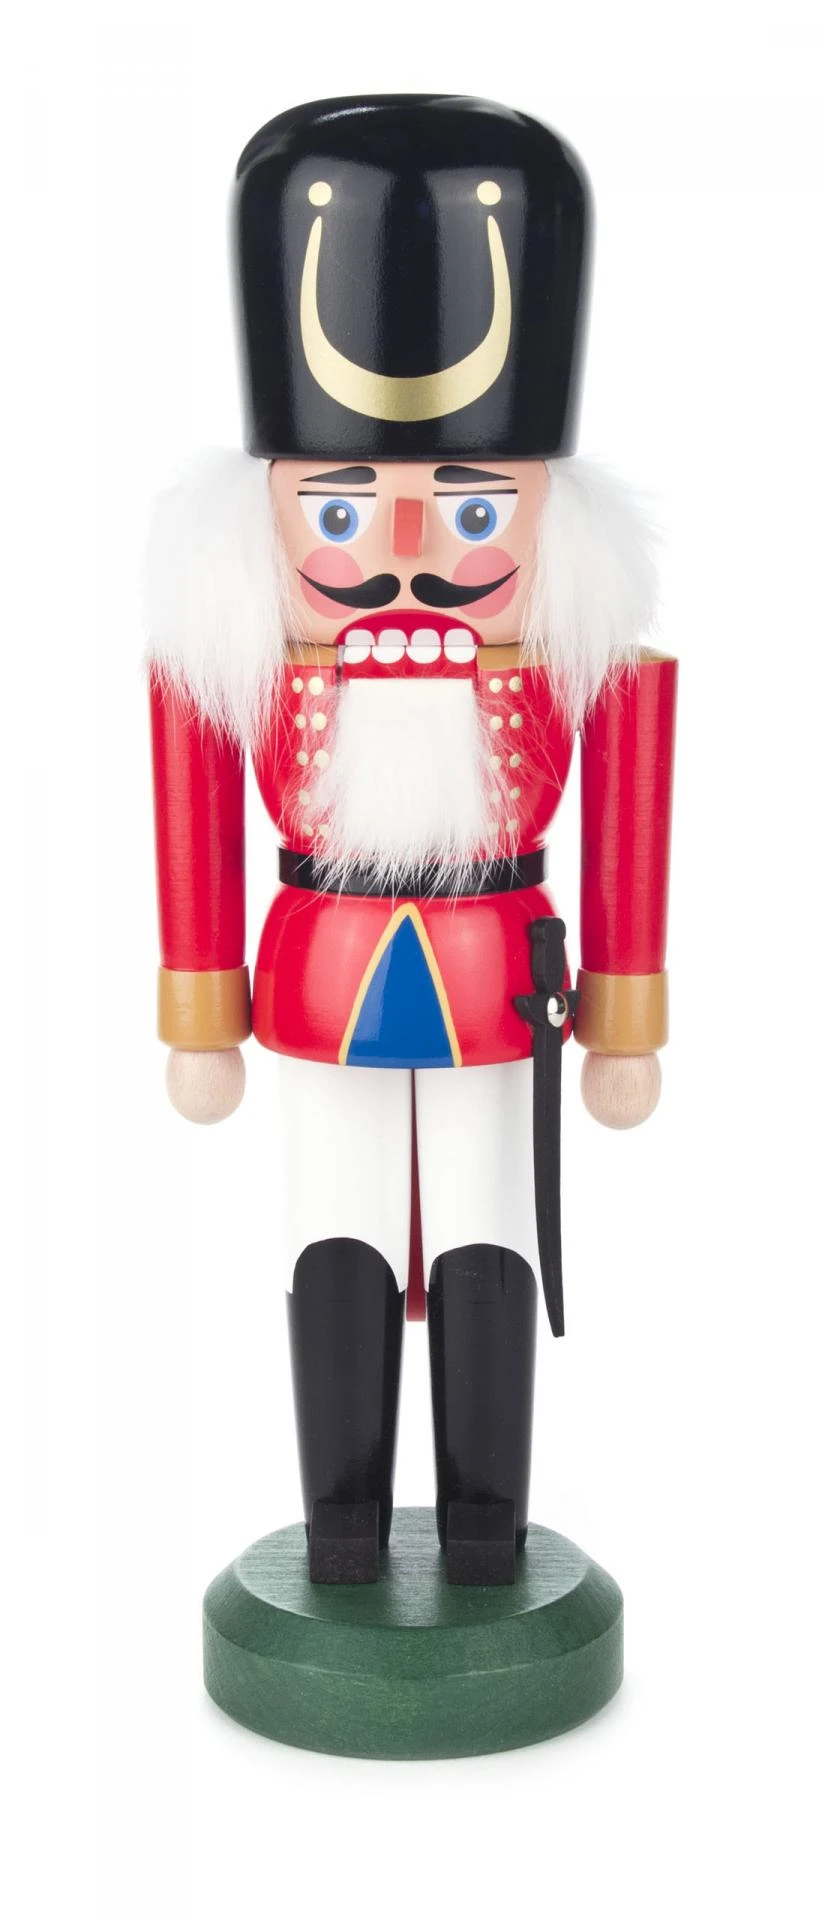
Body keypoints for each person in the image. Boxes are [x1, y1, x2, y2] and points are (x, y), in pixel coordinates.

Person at [146, 95, 676, 1586]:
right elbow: (189, 810)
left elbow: (632, 831)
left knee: (489, 1231)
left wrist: (626, 1019)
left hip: (502, 981)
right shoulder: (231, 662)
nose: (400, 554)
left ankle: (490, 1523)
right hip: (318, 978)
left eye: (468, 509)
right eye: (338, 512)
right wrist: (200, 1014)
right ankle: (342, 1523)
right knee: (338, 1234)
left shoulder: (589, 666)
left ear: (544, 508)